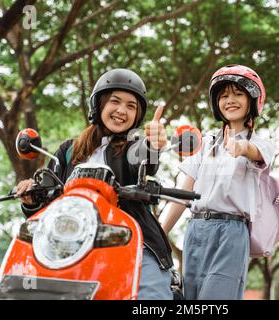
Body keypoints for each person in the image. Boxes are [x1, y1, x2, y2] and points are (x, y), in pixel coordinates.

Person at [16, 68, 174, 300]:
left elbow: (143, 162)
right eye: (115, 101)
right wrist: (32, 198)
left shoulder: (133, 145)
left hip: (132, 239)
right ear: (98, 105)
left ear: (138, 116)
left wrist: (152, 144)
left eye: (131, 106)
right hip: (72, 243)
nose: (122, 110)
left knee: (153, 298)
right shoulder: (68, 151)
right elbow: (48, 204)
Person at [161, 64, 275, 300]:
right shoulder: (204, 144)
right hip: (196, 230)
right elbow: (182, 194)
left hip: (231, 232)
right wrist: (157, 234)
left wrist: (241, 147)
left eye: (238, 94)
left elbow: (253, 152)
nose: (230, 100)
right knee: (190, 298)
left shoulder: (263, 143)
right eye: (223, 95)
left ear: (252, 99)